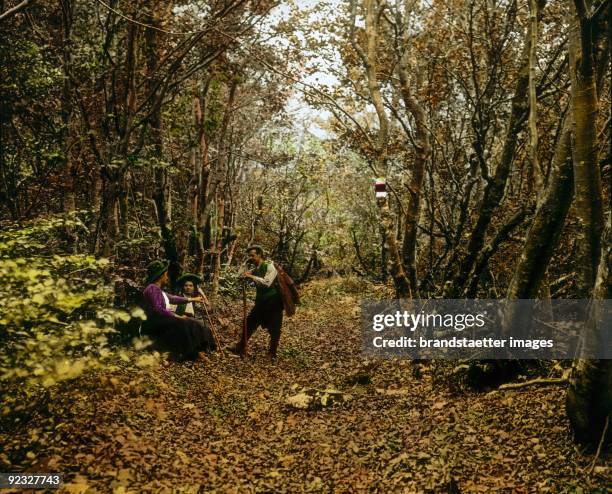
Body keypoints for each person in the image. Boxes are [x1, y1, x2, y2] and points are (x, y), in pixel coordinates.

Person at [142, 260, 216, 360]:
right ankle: (191, 354)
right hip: (155, 322)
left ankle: (198, 350)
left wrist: (193, 299)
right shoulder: (152, 288)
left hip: (161, 320)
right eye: (165, 275)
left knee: (192, 323)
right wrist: (177, 316)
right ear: (160, 276)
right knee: (185, 323)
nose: (167, 277)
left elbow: (173, 298)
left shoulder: (158, 290)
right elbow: (157, 308)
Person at [232, 245, 284, 361]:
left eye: (252, 255)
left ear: (259, 254)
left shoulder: (269, 266)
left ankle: (272, 353)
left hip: (274, 300)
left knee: (274, 327)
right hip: (261, 301)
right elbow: (239, 276)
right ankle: (240, 346)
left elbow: (267, 283)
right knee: (249, 322)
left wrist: (251, 276)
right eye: (249, 256)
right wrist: (245, 263)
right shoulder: (255, 268)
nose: (251, 258)